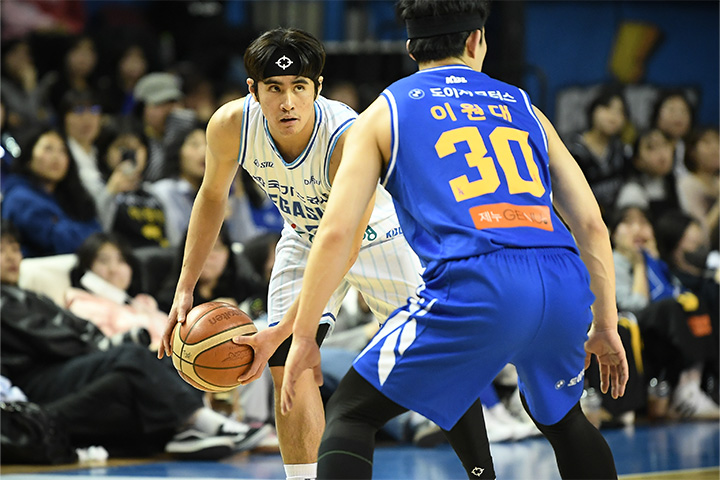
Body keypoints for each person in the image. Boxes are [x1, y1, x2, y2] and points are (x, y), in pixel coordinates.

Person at [279, 2, 629, 479]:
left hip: (478, 280)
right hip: (562, 279)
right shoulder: (523, 104)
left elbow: (338, 231)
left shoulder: (385, 110)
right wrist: (605, 323)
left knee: (352, 414)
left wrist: (303, 335)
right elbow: (590, 224)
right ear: (475, 40)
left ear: (410, 48)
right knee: (564, 420)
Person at [158, 27, 492, 480]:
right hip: (303, 236)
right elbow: (213, 197)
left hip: (376, 239)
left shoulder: (346, 137)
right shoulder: (229, 125)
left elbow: (344, 245)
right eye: (274, 89)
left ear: (317, 87)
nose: (288, 102)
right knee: (285, 362)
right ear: (253, 90)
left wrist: (287, 329)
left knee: (439, 361)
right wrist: (184, 289)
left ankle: (482, 474)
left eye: (299, 87)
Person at [0, 220, 270, 459]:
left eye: (14, 249)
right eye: (2, 250)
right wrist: (112, 349)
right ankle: (205, 422)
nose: (11, 256)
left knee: (159, 361)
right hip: (36, 377)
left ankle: (185, 432)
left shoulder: (33, 296)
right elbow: (54, 341)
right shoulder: (5, 301)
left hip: (67, 366)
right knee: (132, 355)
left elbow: (77, 333)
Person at [1, 127, 101, 257]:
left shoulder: (72, 195)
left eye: (63, 151)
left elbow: (99, 235)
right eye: (48, 149)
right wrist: (89, 235)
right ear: (29, 158)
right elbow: (62, 240)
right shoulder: (19, 198)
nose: (56, 157)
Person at [566, 84, 631, 220]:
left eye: (620, 112)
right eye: (607, 108)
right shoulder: (573, 149)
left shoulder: (622, 151)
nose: (613, 116)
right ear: (593, 111)